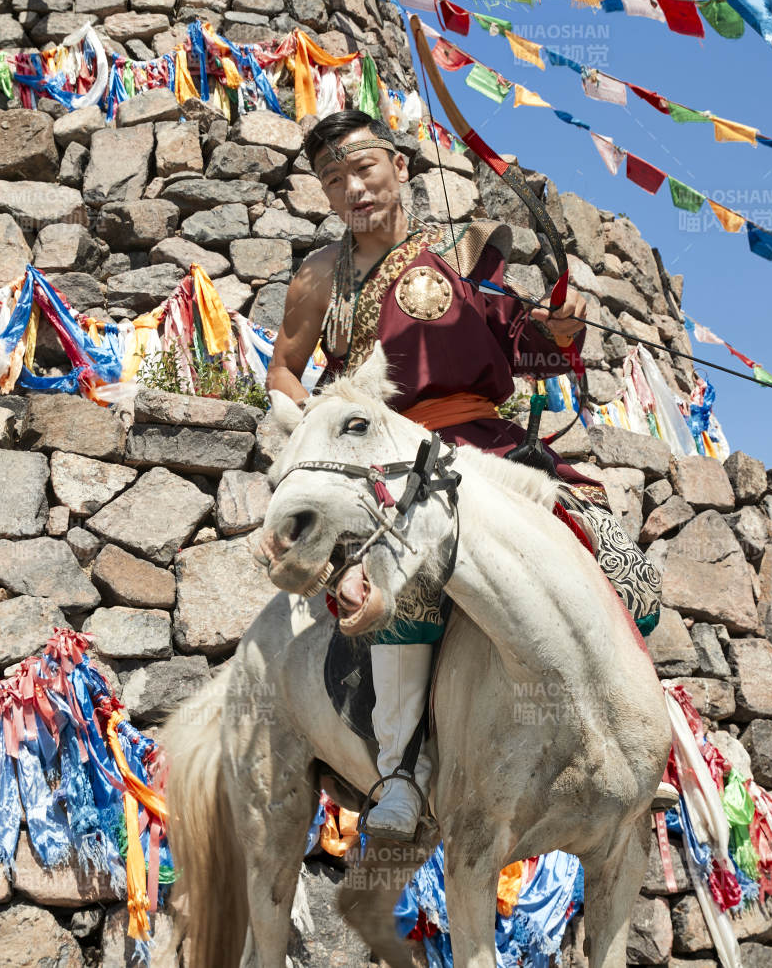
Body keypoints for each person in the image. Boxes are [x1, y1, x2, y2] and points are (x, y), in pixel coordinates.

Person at [266, 109, 660, 841]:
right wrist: (318, 423)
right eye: (331, 180)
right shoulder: (320, 276)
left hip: (491, 446)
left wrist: (563, 330)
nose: (351, 189)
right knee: (405, 581)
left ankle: (627, 736)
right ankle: (401, 772)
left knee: (614, 556)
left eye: (362, 168)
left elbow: (524, 347)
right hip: (387, 465)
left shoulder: (463, 248)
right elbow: (284, 370)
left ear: (400, 166)